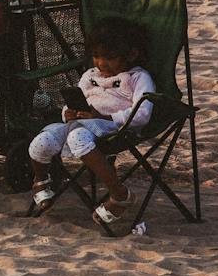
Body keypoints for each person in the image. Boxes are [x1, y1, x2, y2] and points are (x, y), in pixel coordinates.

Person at [27, 17, 154, 225]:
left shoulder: (137, 77)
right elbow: (76, 101)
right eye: (96, 56)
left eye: (110, 57)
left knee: (78, 136)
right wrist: (68, 112)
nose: (101, 63)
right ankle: (40, 181)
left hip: (114, 128)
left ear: (131, 55)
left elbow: (143, 114)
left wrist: (105, 117)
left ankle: (119, 193)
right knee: (42, 141)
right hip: (80, 124)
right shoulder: (90, 75)